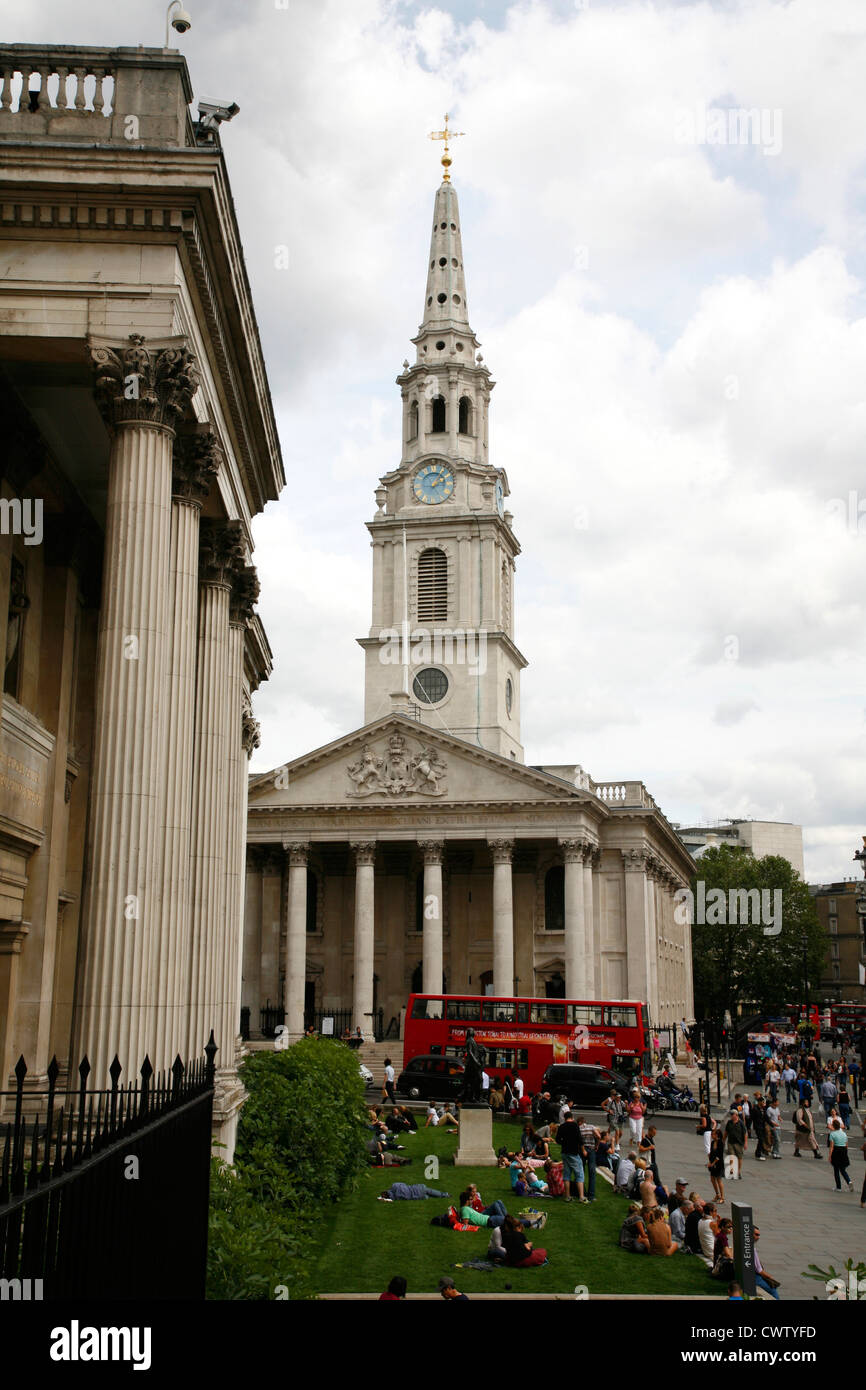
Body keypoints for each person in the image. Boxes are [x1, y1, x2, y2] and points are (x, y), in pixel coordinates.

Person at [557, 1111, 588, 1203]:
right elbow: (580, 1139)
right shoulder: (575, 1126)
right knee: (579, 1174)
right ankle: (581, 1197)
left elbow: (558, 1139)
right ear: (572, 1117)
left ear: (564, 1118)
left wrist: (564, 1142)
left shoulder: (562, 1126)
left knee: (567, 1174)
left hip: (565, 1152)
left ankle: (567, 1196)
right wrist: (583, 1150)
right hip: (574, 1152)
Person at [578, 1116, 602, 1201]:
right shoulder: (591, 1127)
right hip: (591, 1149)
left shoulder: (579, 1129)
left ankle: (583, 1192)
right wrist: (597, 1145)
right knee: (592, 1172)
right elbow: (598, 1136)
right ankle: (591, 1195)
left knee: (582, 1171)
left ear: (579, 1122)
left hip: (582, 1150)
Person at [753, 1226, 780, 1300]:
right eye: (756, 1234)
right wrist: (770, 1277)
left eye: (759, 1235)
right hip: (755, 1278)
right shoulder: (752, 1250)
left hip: (751, 1276)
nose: (758, 1237)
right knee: (772, 1290)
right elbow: (759, 1270)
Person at [827, 1118, 853, 1192]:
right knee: (843, 1169)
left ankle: (838, 1187)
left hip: (836, 1151)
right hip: (843, 1150)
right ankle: (849, 1181)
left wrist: (830, 1155)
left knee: (836, 1170)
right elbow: (846, 1144)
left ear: (834, 1126)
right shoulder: (844, 1134)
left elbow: (831, 1146)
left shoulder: (832, 1134)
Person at [724, 1106, 746, 1179]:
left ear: (736, 1115)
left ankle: (738, 1171)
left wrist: (745, 1143)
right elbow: (726, 1132)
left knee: (739, 1157)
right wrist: (723, 1140)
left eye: (732, 1114)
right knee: (732, 1156)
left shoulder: (741, 1123)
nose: (731, 1116)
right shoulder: (729, 1122)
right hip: (730, 1142)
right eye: (731, 1114)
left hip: (739, 1143)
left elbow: (745, 1134)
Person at [697, 1202, 719, 1268]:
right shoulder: (712, 1223)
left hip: (705, 1250)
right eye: (715, 1211)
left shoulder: (700, 1220)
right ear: (710, 1212)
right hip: (712, 1251)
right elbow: (720, 1236)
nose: (716, 1213)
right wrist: (719, 1222)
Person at [708, 1129, 726, 1203]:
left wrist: (713, 1163)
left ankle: (722, 1197)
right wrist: (710, 1162)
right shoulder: (712, 1142)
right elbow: (711, 1154)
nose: (712, 1135)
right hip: (713, 1164)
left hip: (719, 1164)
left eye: (713, 1134)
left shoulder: (720, 1143)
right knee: (712, 1179)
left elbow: (719, 1155)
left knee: (719, 1180)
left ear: (717, 1135)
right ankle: (717, 1194)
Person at [378, 1182, 449, 1201]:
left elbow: (391, 1199)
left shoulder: (396, 1198)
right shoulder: (395, 1186)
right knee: (429, 1191)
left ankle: (427, 1197)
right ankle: (445, 1195)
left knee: (426, 1196)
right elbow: (403, 1184)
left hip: (416, 1196)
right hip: (416, 1188)